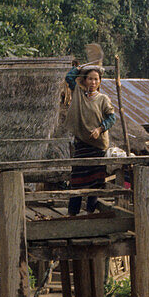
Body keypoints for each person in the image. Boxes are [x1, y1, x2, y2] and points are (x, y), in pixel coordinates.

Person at [62, 63, 115, 216]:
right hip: (82, 144)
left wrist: (100, 129)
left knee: (95, 181)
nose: (93, 82)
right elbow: (69, 77)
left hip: (97, 145)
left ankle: (90, 213)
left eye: (96, 79)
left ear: (100, 82)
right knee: (77, 180)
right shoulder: (78, 93)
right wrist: (80, 68)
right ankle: (73, 214)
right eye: (90, 79)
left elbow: (112, 118)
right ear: (84, 81)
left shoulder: (103, 99)